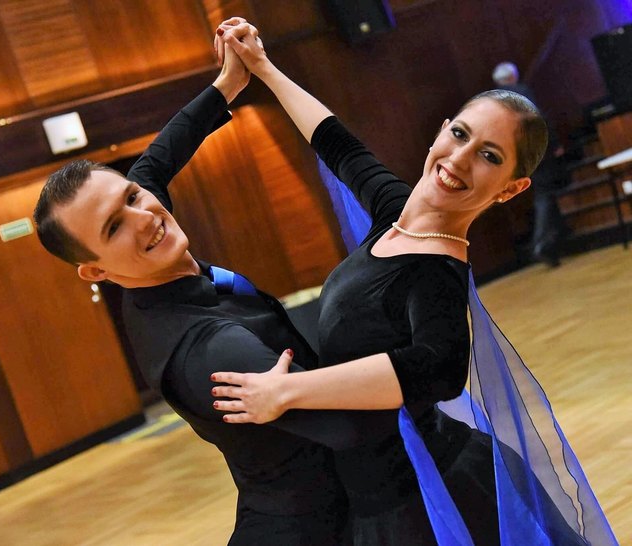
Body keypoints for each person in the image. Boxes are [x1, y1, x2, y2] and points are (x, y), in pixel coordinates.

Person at [211, 22, 617, 546]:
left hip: (427, 501)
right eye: (461, 134)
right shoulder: (396, 214)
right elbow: (336, 142)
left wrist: (288, 391)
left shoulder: (436, 271)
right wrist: (263, 67)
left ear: (512, 189)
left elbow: (439, 367)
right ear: (442, 128)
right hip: (382, 494)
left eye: (489, 157)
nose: (459, 160)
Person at [32, 30, 392, 546]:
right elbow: (350, 426)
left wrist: (228, 82)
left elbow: (157, 160)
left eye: (133, 196)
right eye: (113, 227)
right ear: (94, 270)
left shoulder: (145, 255)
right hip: (314, 526)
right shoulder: (208, 351)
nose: (145, 216)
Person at [492, 62, 570, 267]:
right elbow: (537, 120)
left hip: (515, 157)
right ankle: (542, 242)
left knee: (543, 194)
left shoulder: (493, 103)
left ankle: (552, 239)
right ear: (512, 77)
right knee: (545, 195)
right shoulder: (521, 92)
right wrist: (554, 143)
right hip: (537, 151)